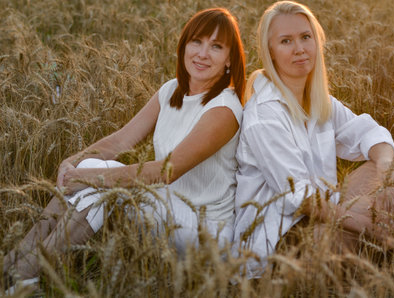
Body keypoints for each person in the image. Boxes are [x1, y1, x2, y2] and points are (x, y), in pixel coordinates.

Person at [3, 7, 246, 293]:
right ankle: (14, 267)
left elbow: (167, 170)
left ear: (230, 59)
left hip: (204, 227)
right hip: (165, 206)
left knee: (101, 188)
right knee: (90, 173)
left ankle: (26, 275)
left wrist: (90, 177)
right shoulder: (171, 90)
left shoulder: (224, 109)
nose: (203, 53)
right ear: (184, 45)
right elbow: (120, 141)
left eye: (216, 47)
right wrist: (72, 163)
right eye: (197, 41)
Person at [232, 0, 394, 279]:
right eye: (286, 41)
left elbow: (367, 132)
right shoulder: (265, 115)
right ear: (270, 52)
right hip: (281, 251)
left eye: (305, 37)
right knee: (388, 201)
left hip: (322, 220)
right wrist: (373, 223)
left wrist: (387, 170)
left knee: (392, 174)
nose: (299, 48)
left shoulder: (317, 101)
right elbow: (301, 198)